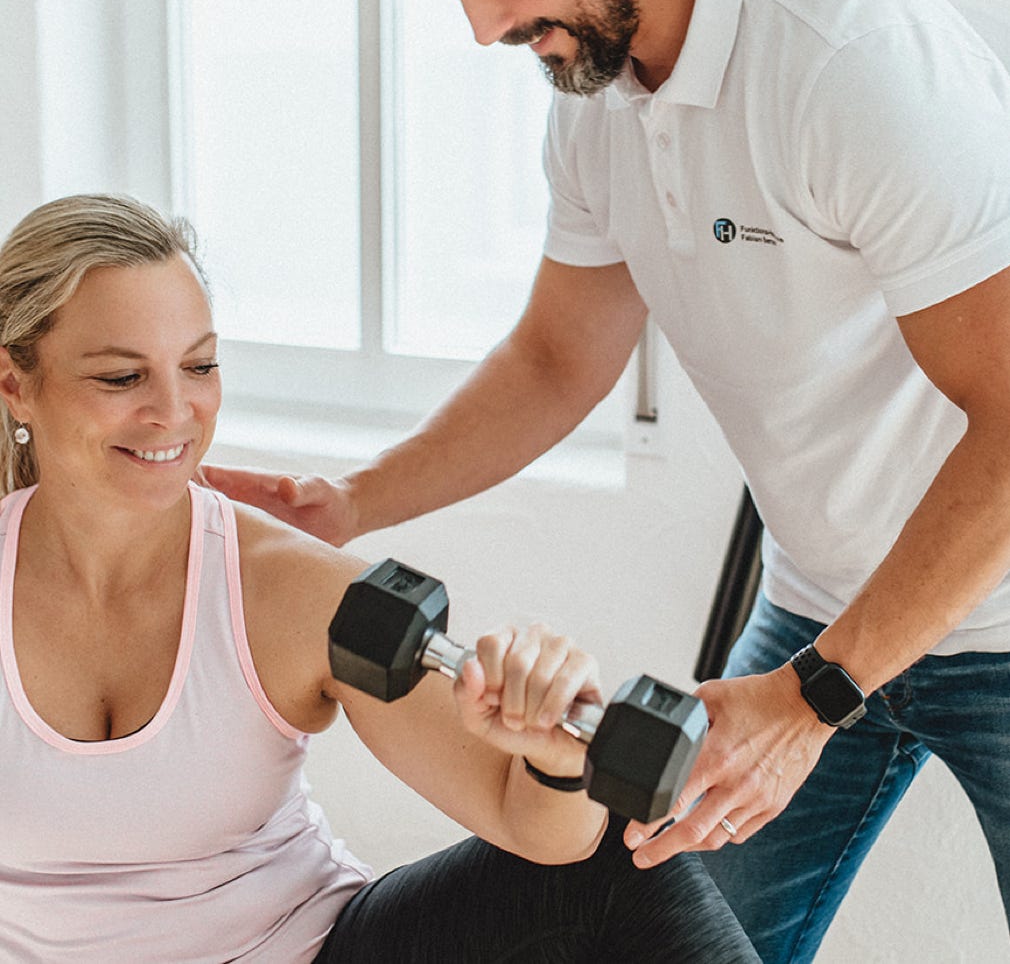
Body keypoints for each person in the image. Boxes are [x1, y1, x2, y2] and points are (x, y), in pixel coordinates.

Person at [202, 0, 1010, 964]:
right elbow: (552, 361)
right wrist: (352, 500)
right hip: (818, 607)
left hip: (983, 601)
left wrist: (812, 697)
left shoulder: (847, 59)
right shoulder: (598, 116)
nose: (483, 29)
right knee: (672, 936)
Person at [0, 192, 758, 963]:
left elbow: (536, 831)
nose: (176, 411)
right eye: (123, 377)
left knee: (613, 861)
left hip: (311, 950)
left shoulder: (289, 590)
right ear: (15, 385)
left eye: (199, 365)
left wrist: (554, 761)